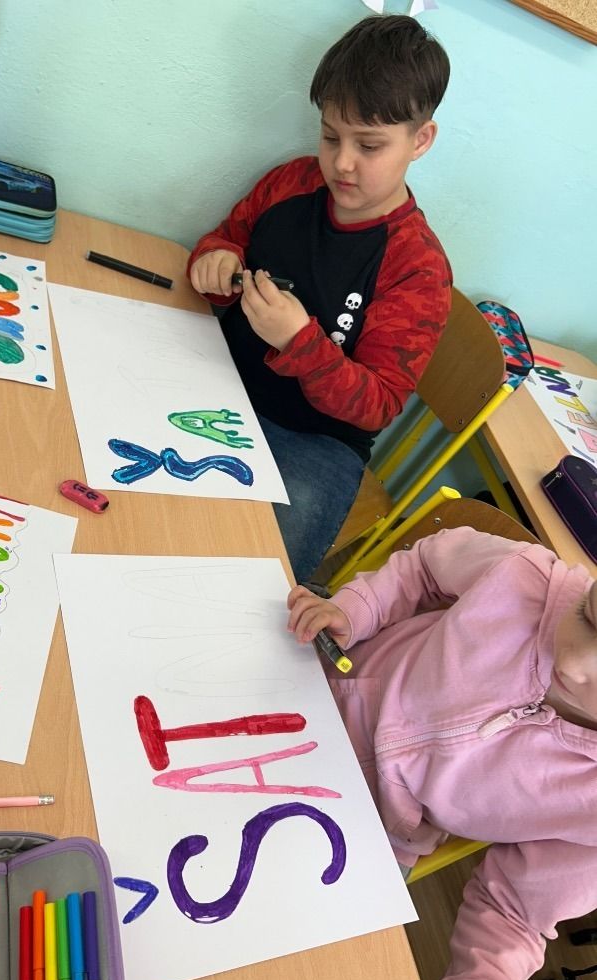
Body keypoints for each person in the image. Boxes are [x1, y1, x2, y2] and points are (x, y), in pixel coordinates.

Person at [187, 14, 453, 582]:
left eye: (369, 145)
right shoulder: (292, 183)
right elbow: (226, 238)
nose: (342, 162)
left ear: (420, 140)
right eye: (331, 136)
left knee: (252, 577)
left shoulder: (418, 268)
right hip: (221, 380)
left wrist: (299, 342)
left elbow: (379, 403)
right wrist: (217, 259)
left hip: (317, 442)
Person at [286, 526, 597, 980]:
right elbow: (424, 567)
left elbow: (515, 912)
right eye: (587, 616)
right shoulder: (525, 576)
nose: (572, 665)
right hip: (316, 686)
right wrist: (358, 608)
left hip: (377, 830)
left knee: (305, 960)